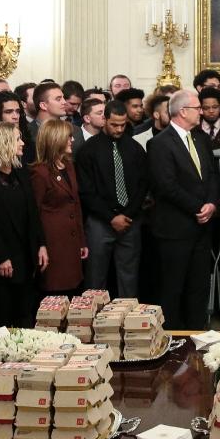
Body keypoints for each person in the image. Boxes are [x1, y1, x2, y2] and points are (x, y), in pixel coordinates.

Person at [147, 89, 220, 329]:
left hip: (202, 228)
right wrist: (199, 207)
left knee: (199, 286)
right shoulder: (159, 143)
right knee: (173, 287)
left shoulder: (201, 138)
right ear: (182, 111)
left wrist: (211, 204)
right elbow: (167, 186)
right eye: (197, 108)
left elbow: (211, 176)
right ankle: (174, 341)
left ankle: (198, 335)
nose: (202, 111)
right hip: (175, 229)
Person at [0, 122, 47, 327]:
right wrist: (1, 257)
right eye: (17, 139)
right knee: (2, 315)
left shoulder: (20, 174)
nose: (22, 143)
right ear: (3, 143)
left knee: (26, 312)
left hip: (26, 255)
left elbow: (33, 212)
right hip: (3, 258)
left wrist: (41, 244)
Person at [78, 100, 149, 298]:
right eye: (114, 124)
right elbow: (86, 191)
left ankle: (129, 322)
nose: (119, 129)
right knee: (95, 278)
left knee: (129, 277)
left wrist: (127, 214)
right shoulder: (88, 150)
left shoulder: (135, 149)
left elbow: (143, 186)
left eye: (123, 125)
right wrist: (111, 217)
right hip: (100, 221)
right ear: (104, 120)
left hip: (130, 221)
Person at [30, 119, 87, 295]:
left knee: (73, 291)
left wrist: (81, 241)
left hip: (71, 242)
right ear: (55, 140)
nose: (72, 140)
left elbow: (75, 203)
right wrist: (40, 245)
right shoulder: (39, 173)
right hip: (53, 244)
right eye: (68, 137)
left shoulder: (69, 166)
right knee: (55, 293)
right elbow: (34, 213)